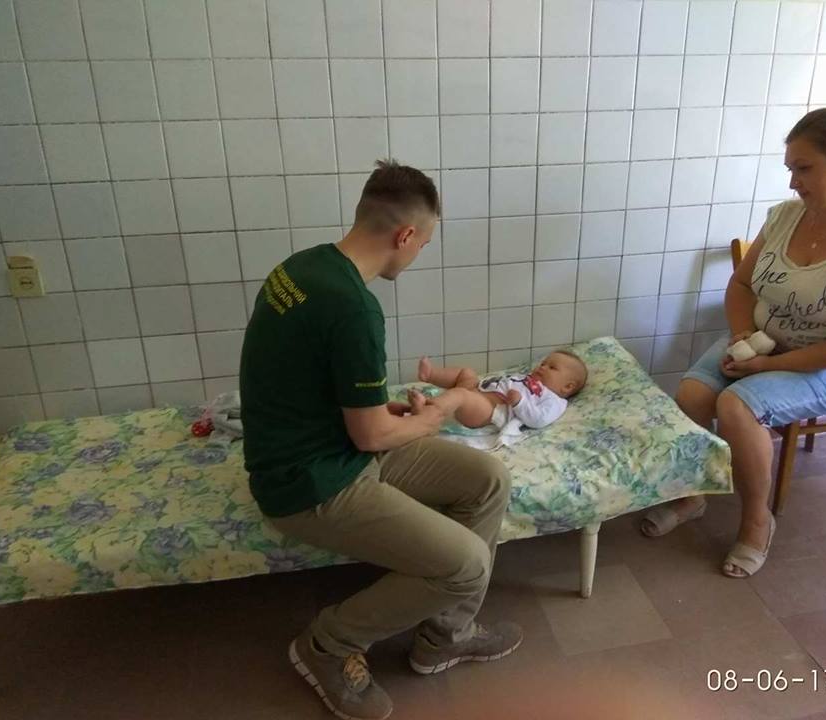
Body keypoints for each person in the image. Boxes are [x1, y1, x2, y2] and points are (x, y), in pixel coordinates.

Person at [239, 160, 522, 720]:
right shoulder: (354, 307)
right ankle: (327, 645)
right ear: (405, 235)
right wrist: (433, 415)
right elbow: (371, 436)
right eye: (424, 244)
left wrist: (385, 414)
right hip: (308, 481)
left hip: (331, 444)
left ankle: (445, 636)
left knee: (488, 479)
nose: (419, 255)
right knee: (467, 565)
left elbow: (311, 383)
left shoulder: (302, 267)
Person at [640, 108, 826, 578]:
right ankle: (693, 497)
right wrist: (742, 336)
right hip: (766, 340)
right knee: (692, 394)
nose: (793, 183)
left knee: (736, 407)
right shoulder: (787, 215)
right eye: (790, 169)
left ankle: (757, 522)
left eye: (804, 169)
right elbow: (741, 286)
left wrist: (766, 366)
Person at [408, 351, 588, 430]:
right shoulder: (529, 378)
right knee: (467, 373)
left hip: (489, 410)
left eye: (552, 368)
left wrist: (519, 403)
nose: (542, 367)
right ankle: (431, 374)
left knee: (460, 395)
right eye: (543, 363)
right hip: (479, 390)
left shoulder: (554, 400)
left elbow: (539, 419)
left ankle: (427, 411)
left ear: (568, 386)